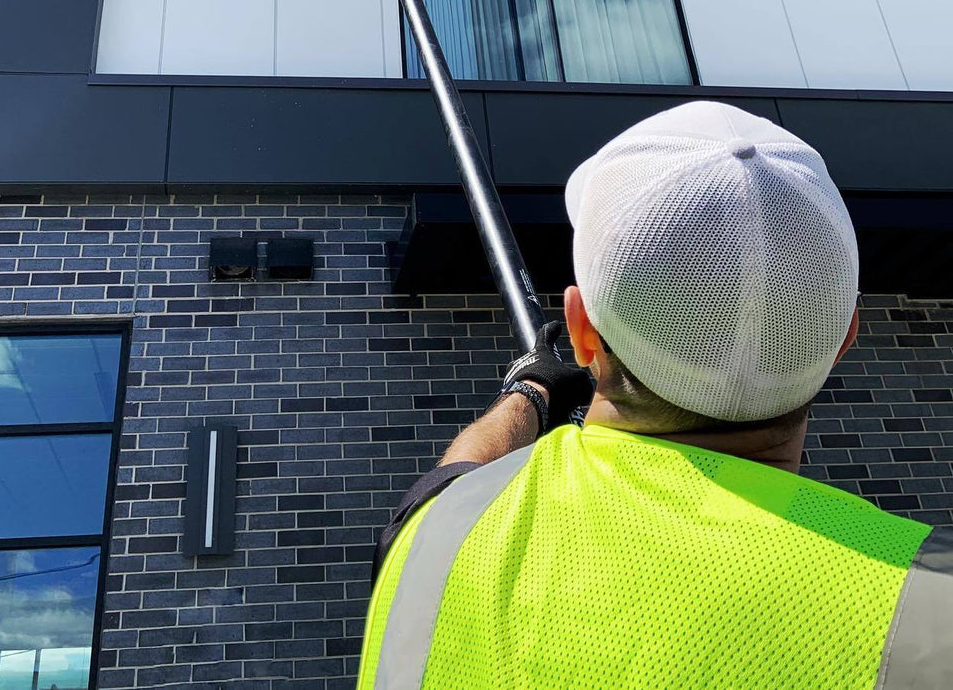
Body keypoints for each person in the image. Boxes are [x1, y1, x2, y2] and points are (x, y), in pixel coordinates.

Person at [356, 100, 952, 689]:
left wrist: (531, 391)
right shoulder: (929, 602)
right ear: (843, 337)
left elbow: (454, 476)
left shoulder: (436, 537)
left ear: (582, 330)